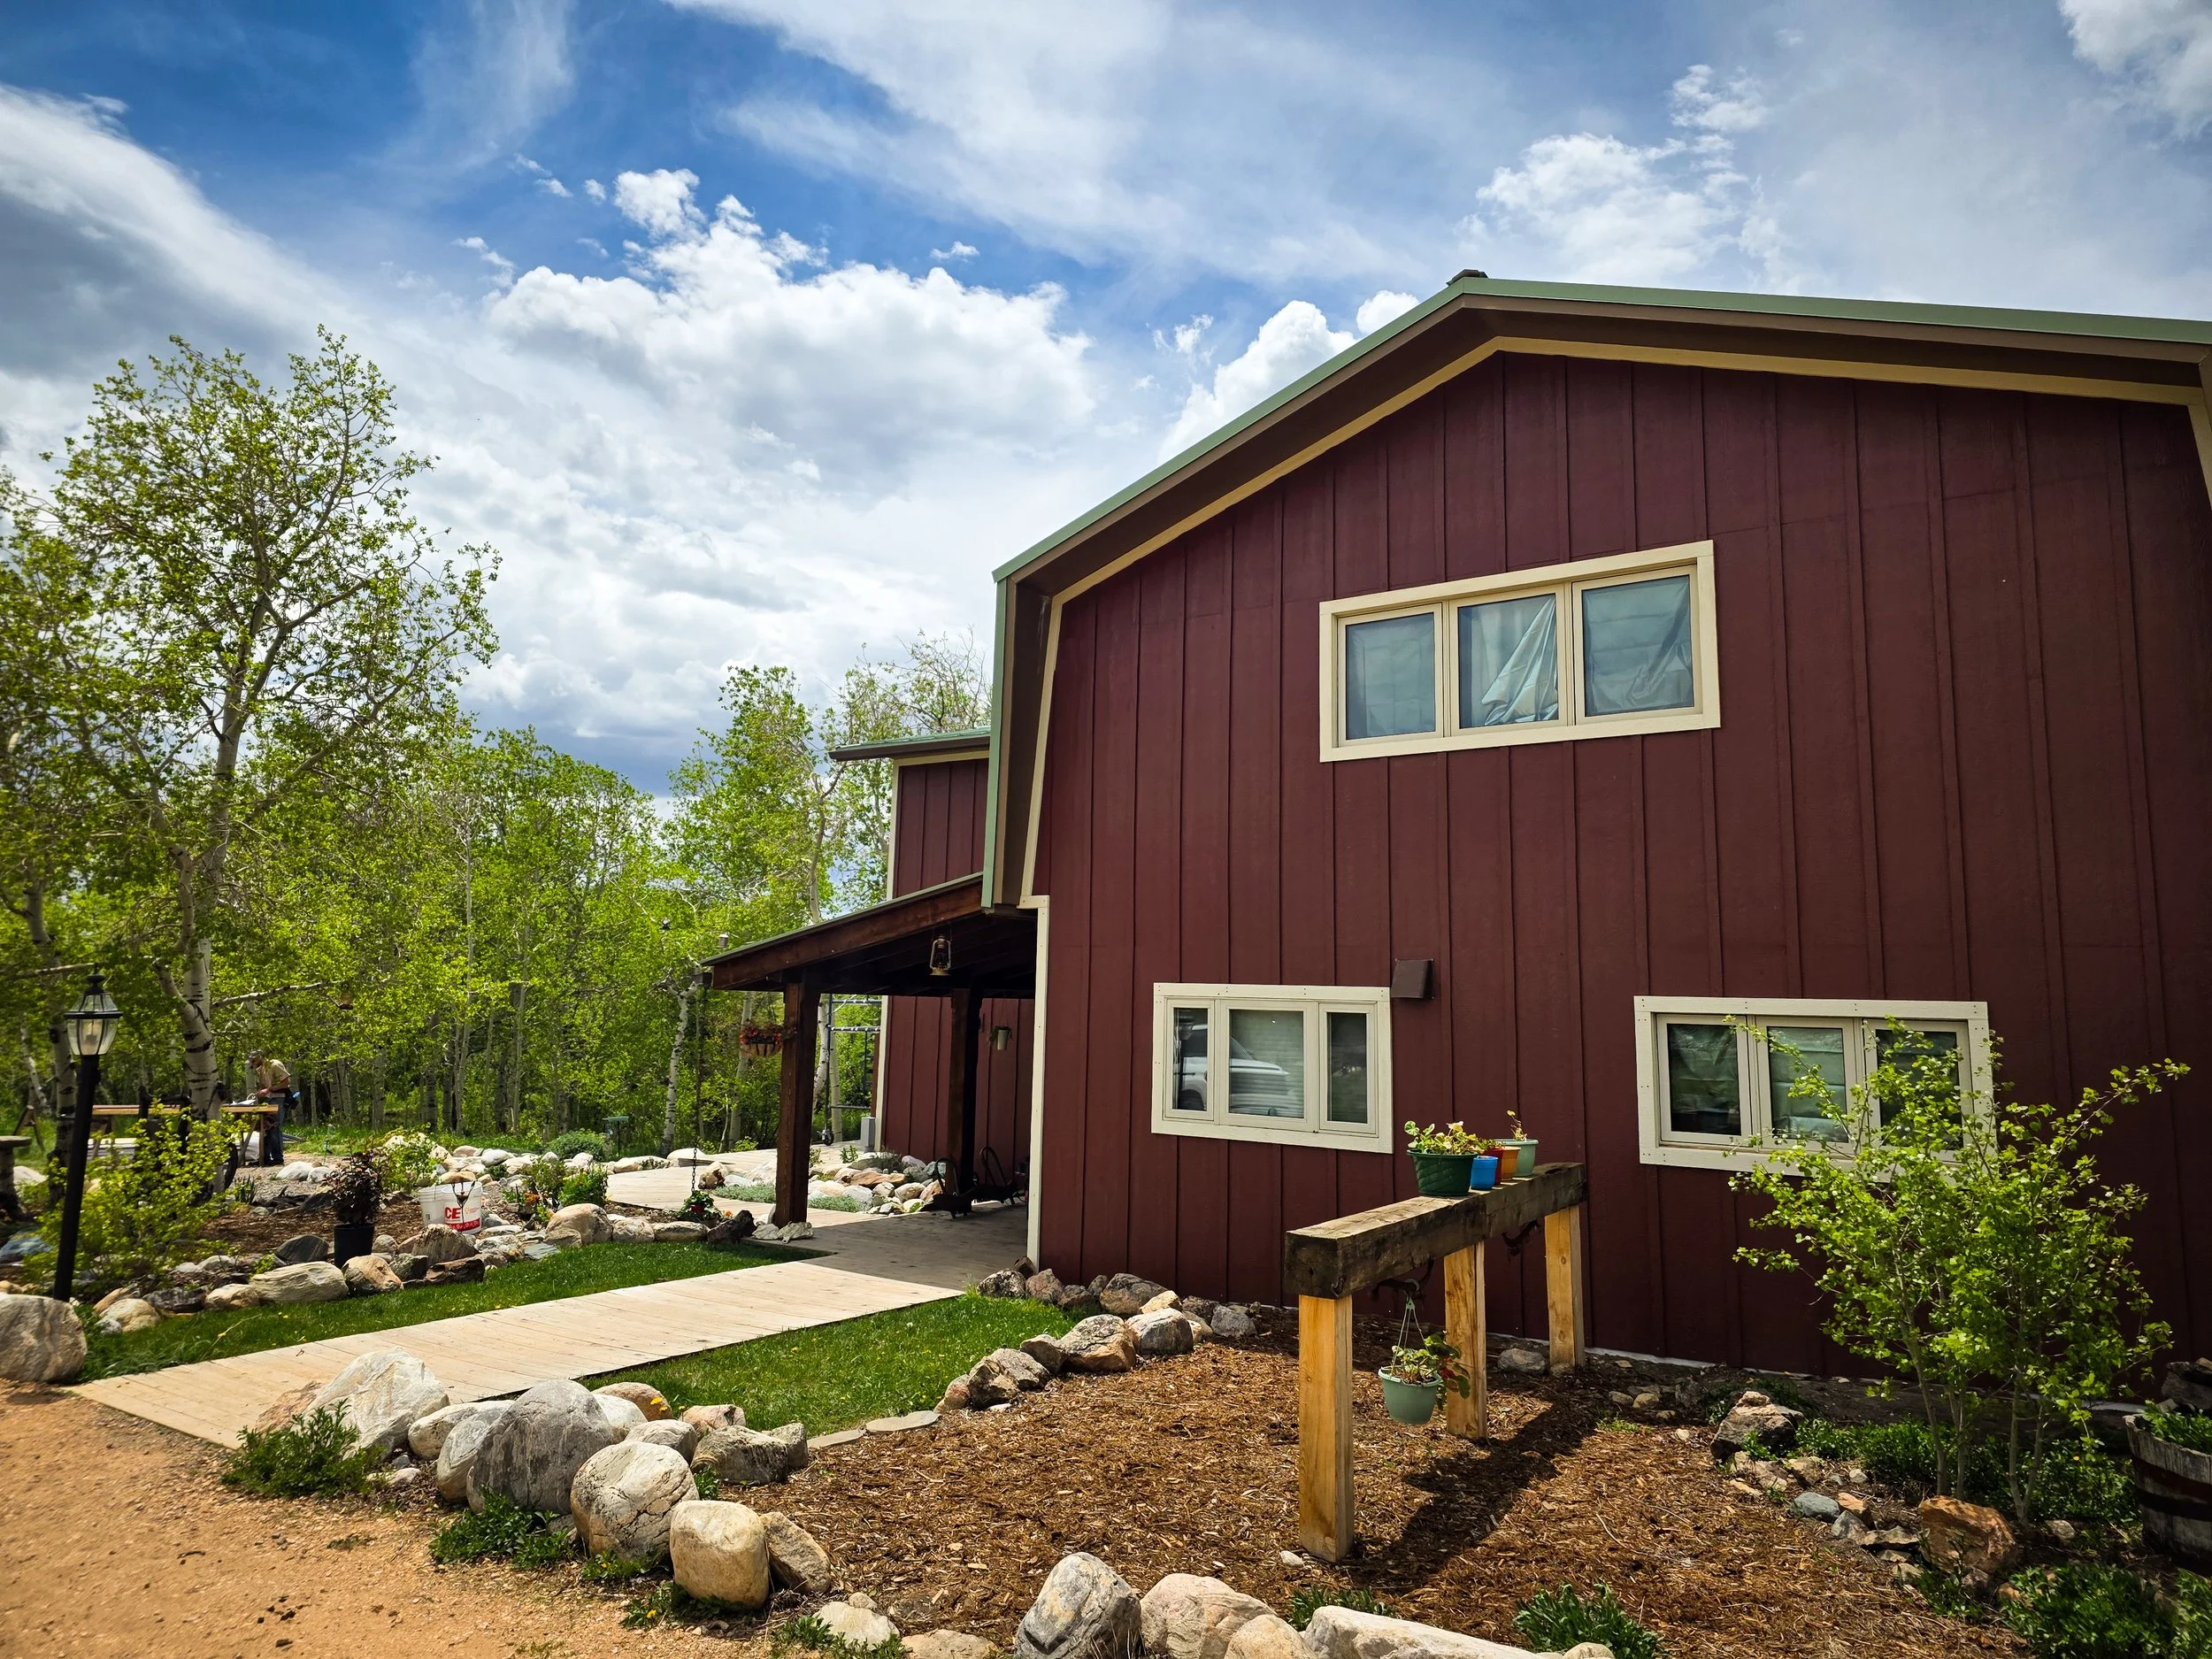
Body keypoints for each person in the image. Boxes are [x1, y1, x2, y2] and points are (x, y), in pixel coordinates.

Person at [248, 1050, 293, 1166]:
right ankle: (265, 1158)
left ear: (260, 1058)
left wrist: (269, 1090)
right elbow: (265, 1085)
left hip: (278, 1098)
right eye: (251, 1062)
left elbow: (286, 1082)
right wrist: (260, 1091)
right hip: (268, 1099)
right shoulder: (261, 1069)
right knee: (265, 1128)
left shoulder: (275, 1064)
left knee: (275, 1127)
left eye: (254, 1061)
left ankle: (278, 1158)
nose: (252, 1064)